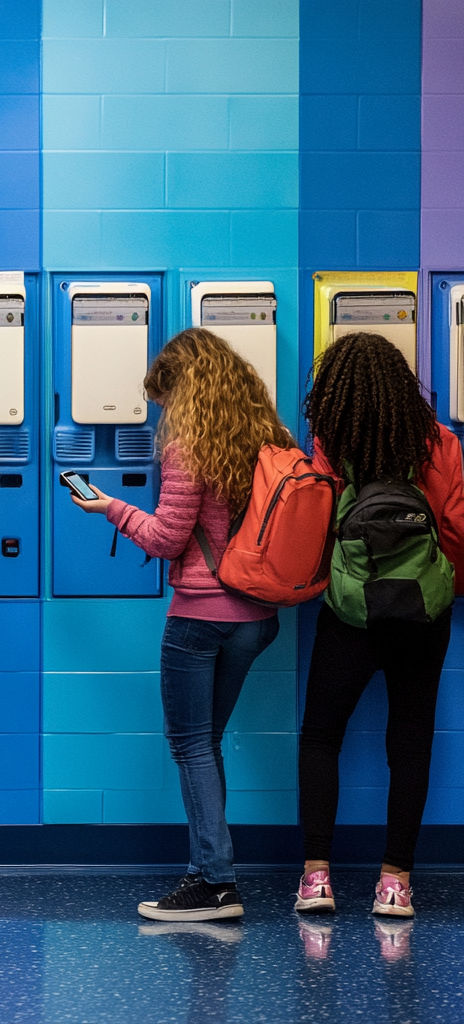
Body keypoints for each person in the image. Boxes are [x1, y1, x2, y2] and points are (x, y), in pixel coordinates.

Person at [71, 328, 290, 921]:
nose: (163, 415)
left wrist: (111, 508)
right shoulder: (269, 438)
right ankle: (211, 874)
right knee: (205, 743)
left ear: (184, 391)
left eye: (165, 401)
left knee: (191, 745)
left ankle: (214, 882)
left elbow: (168, 538)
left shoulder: (189, 446)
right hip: (257, 617)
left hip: (201, 616)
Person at [295, 332, 464, 918]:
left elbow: (316, 525)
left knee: (322, 736)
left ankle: (317, 878)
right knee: (411, 743)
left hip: (351, 612)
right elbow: (456, 529)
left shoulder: (332, 444)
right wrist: (441, 584)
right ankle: (395, 885)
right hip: (423, 613)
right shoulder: (440, 442)